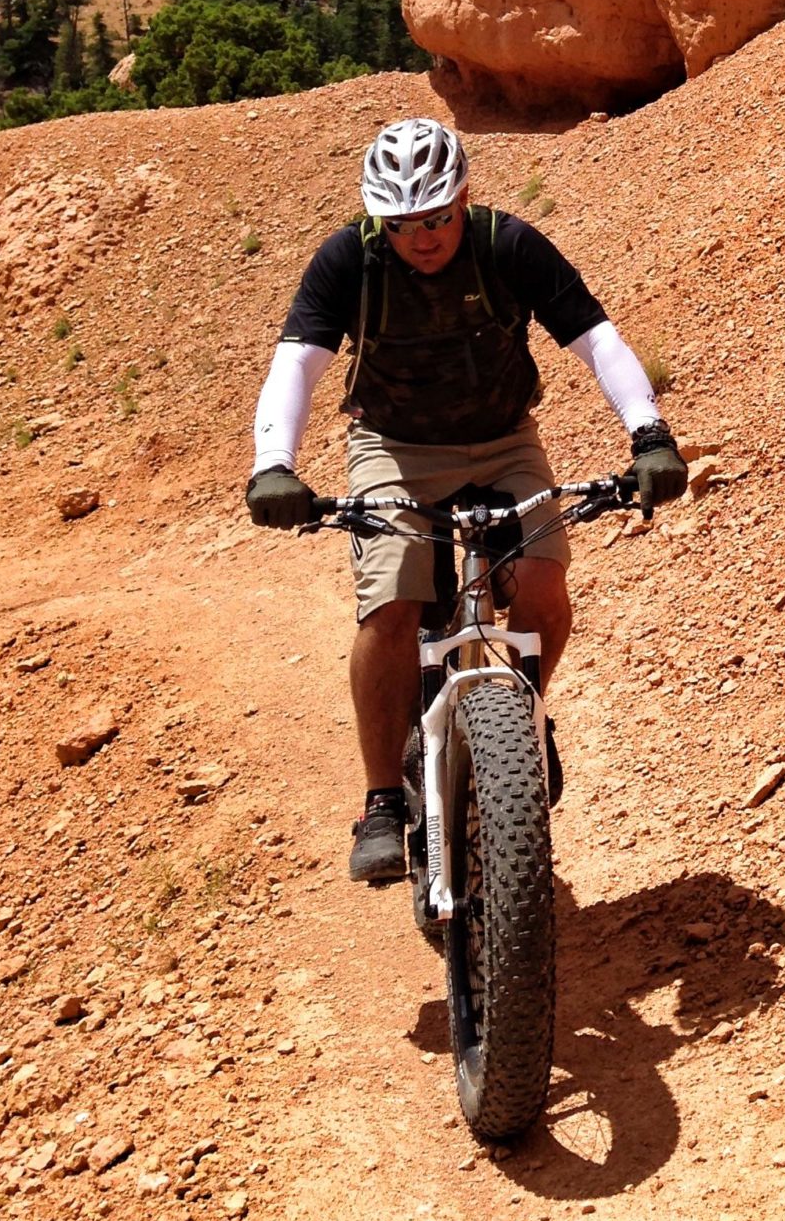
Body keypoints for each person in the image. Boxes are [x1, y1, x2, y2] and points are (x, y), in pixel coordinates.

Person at [243, 116, 687, 885]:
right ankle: (382, 800)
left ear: (465, 198)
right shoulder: (349, 260)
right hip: (395, 447)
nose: (424, 238)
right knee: (392, 602)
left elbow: (596, 339)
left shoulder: (506, 245)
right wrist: (273, 465)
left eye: (439, 217)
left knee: (544, 584)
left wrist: (650, 435)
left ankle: (521, 714)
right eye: (405, 223)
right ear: (381, 218)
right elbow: (298, 365)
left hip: (503, 438)